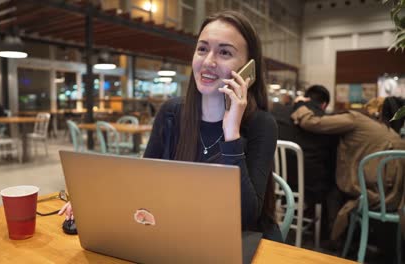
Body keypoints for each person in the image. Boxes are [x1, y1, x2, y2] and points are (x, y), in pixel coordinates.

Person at [60, 10, 281, 241]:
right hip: (181, 234)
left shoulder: (261, 125)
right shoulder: (171, 113)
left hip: (239, 242)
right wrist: (95, 199)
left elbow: (246, 218)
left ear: (248, 68)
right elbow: (145, 182)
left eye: (224, 52)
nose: (208, 62)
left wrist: (231, 133)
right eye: (202, 49)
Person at [291, 92, 405, 242]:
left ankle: (332, 239)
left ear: (378, 110)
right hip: (394, 199)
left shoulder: (357, 120)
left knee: (331, 185)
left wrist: (300, 104)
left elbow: (312, 122)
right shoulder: (397, 138)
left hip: (368, 193)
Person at [271, 85, 339, 238]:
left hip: (278, 182)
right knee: (332, 181)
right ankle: (323, 236)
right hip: (310, 187)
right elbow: (331, 161)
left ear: (305, 97)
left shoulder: (278, 112)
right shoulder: (325, 120)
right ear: (324, 105)